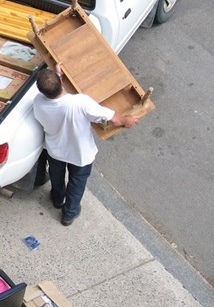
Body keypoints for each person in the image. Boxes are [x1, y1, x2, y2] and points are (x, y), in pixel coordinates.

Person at [32, 66, 140, 226]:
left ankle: (57, 199)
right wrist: (126, 121)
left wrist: (57, 76)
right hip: (80, 154)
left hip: (55, 150)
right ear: (61, 82)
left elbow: (51, 91)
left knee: (56, 176)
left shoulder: (38, 102)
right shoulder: (80, 103)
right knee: (77, 182)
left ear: (41, 91)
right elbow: (113, 118)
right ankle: (69, 214)